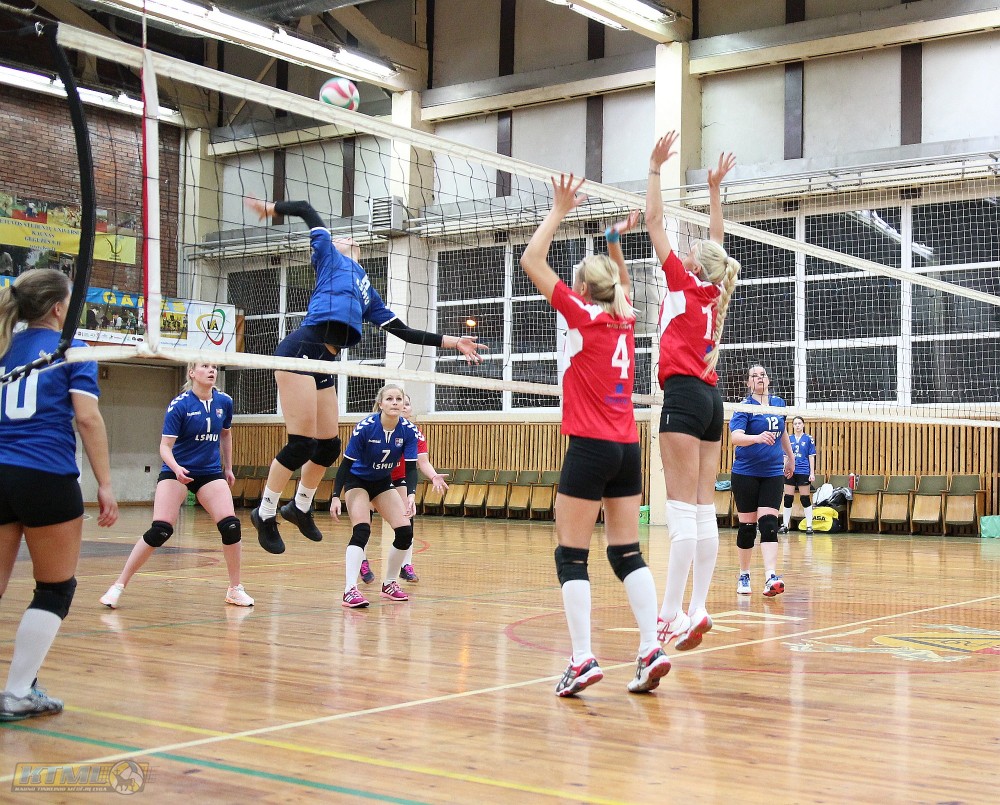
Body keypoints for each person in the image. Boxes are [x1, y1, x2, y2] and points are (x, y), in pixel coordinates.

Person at [244, 198, 486, 556]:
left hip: (325, 362)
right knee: (301, 445)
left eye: (350, 239)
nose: (348, 239)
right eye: (342, 237)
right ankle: (265, 513)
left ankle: (300, 506)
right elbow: (309, 209)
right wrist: (273, 209)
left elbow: (404, 332)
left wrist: (452, 342)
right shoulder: (328, 257)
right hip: (300, 350)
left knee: (328, 446)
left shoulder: (367, 292)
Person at [520, 175, 668, 697]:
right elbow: (621, 284)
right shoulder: (625, 318)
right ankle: (649, 648)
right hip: (628, 448)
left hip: (589, 446)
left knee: (572, 556)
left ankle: (582, 657)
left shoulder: (581, 314)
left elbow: (531, 261)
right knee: (627, 552)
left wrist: (559, 210)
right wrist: (612, 240)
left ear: (582, 289)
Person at [0, 268, 118, 721]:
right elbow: (87, 418)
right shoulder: (71, 349)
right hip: (45, 475)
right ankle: (17, 693)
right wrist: (105, 484)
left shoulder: (3, 346)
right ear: (56, 308)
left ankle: (21, 690)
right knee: (54, 589)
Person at [645, 133, 742, 652]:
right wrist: (713, 191)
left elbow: (654, 222)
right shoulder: (715, 289)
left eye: (689, 252)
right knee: (704, 510)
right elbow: (717, 245)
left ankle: (668, 616)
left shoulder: (684, 282)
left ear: (695, 264)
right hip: (710, 402)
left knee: (682, 512)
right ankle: (698, 606)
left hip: (683, 397)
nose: (681, 252)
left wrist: (654, 169)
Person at [100, 363, 253, 610]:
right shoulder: (180, 405)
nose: (212, 370)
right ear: (192, 372)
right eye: (205, 366)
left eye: (214, 367)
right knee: (160, 530)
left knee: (231, 526)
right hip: (176, 470)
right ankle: (118, 585)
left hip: (209, 472)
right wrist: (177, 469)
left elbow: (225, 434)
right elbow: (164, 447)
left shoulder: (224, 401)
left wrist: (228, 467)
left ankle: (235, 589)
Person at [334, 383, 421, 609]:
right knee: (362, 530)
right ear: (380, 404)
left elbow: (412, 468)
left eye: (399, 399)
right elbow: (345, 465)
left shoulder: (408, 431)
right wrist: (335, 496)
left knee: (405, 532)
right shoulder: (366, 427)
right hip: (357, 481)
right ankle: (349, 590)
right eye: (389, 399)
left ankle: (389, 583)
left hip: (382, 482)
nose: (395, 403)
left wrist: (411, 495)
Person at [357, 392, 447, 587]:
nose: (403, 406)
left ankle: (406, 565)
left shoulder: (413, 433)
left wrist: (433, 476)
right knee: (364, 523)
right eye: (397, 401)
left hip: (398, 479)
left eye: (406, 403)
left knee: (407, 518)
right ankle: (362, 561)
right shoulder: (373, 427)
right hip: (371, 477)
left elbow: (422, 462)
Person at [730, 365, 795, 597]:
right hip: (746, 473)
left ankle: (770, 576)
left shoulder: (778, 404)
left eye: (763, 375)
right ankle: (744, 574)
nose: (759, 378)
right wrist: (757, 438)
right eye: (754, 376)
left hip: (772, 473)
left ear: (768, 380)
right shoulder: (745, 407)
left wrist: (790, 457)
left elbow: (783, 432)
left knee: (769, 524)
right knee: (747, 527)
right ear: (749, 383)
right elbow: (735, 437)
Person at [782, 415, 816, 535]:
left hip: (803, 471)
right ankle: (785, 525)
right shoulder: (789, 438)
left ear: (803, 425)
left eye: (799, 423)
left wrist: (812, 473)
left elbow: (811, 457)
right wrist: (783, 469)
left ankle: (809, 526)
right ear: (793, 426)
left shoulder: (808, 439)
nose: (797, 426)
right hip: (790, 471)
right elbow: (785, 456)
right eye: (795, 424)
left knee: (805, 498)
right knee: (788, 498)